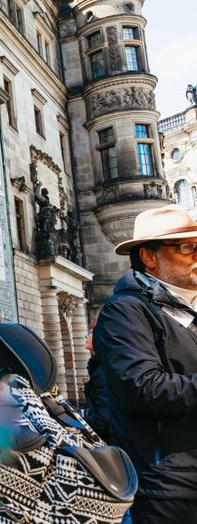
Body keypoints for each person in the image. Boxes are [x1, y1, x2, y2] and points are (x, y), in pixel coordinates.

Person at [93, 204, 197, 523]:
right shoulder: (126, 311)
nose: (196, 256)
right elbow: (143, 388)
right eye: (187, 248)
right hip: (168, 489)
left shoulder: (187, 309)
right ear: (150, 257)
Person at [83, 311, 112, 443]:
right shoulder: (103, 366)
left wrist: (76, 422)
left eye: (91, 332)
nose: (86, 335)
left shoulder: (102, 371)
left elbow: (104, 420)